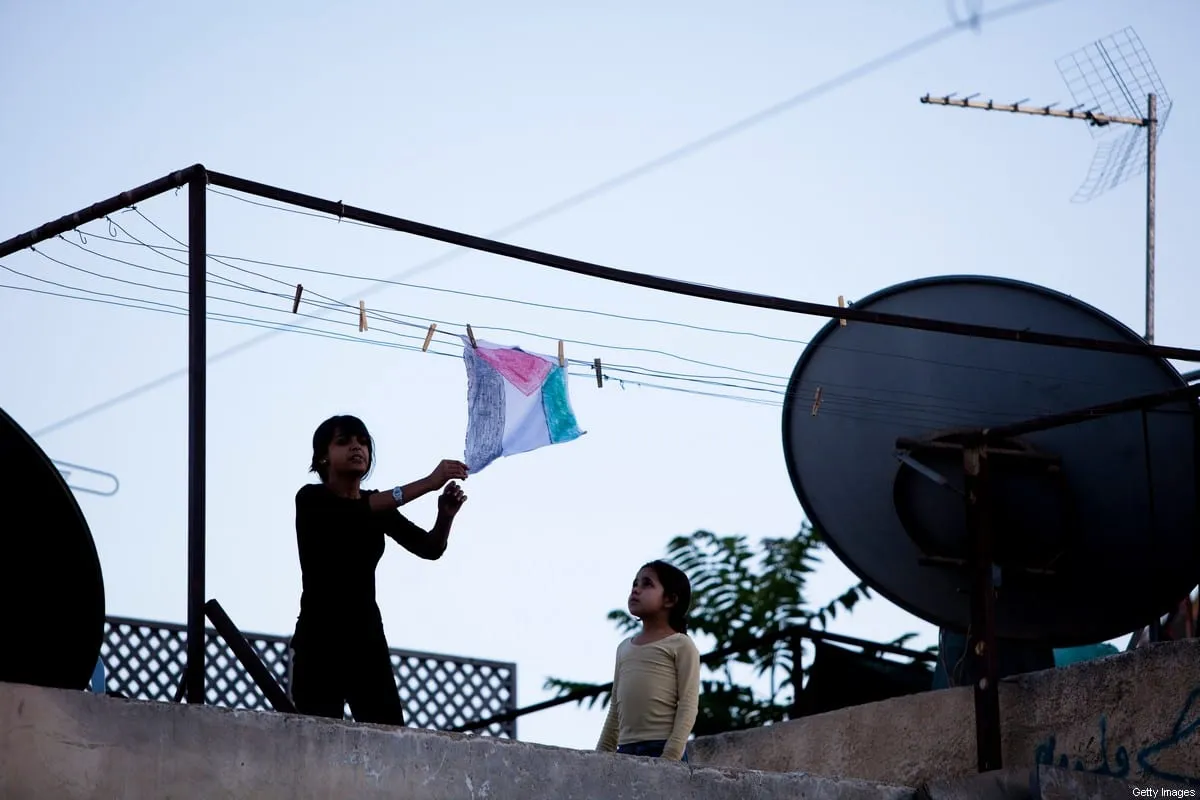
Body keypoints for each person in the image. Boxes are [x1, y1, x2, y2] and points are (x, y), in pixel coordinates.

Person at [289, 414, 468, 726]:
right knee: (316, 738)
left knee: (386, 735)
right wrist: (427, 482)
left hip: (366, 639)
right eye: (344, 442)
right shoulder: (311, 499)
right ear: (323, 457)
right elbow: (354, 511)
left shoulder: (377, 506)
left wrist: (445, 516)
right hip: (320, 639)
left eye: (362, 442)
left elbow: (430, 548)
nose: (357, 448)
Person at [596, 560, 701, 762]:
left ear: (670, 600)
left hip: (661, 748)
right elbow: (615, 708)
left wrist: (671, 755)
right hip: (624, 750)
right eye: (635, 584)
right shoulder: (624, 648)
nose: (636, 589)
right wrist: (601, 754)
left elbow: (688, 704)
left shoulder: (682, 645)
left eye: (647, 584)